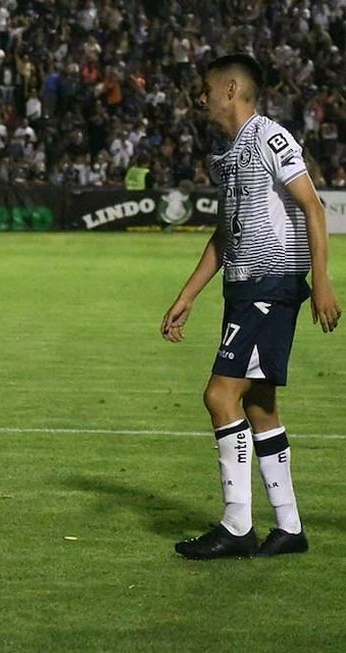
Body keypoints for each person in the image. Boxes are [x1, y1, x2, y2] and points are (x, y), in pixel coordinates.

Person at [161, 54, 341, 560]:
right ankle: (289, 526)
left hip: (270, 286)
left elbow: (312, 205)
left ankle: (237, 524)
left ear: (231, 89)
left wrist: (321, 282)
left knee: (220, 396)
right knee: (259, 405)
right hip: (244, 289)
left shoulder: (270, 137)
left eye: (206, 88)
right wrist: (188, 295)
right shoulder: (232, 152)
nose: (201, 97)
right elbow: (225, 234)